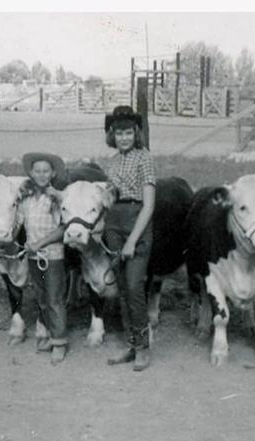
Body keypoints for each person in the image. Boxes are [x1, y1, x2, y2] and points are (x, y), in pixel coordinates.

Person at [102, 106, 156, 372]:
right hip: (114, 222)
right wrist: (105, 198)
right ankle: (131, 344)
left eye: (128, 132)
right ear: (112, 135)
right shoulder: (111, 162)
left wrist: (133, 240)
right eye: (118, 133)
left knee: (135, 287)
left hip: (137, 220)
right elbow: (111, 196)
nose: (123, 138)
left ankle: (144, 347)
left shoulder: (144, 158)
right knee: (122, 288)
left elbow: (148, 205)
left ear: (136, 133)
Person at [15, 152, 69, 364]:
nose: (41, 174)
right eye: (37, 171)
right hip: (33, 256)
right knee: (42, 298)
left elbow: (63, 228)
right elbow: (18, 222)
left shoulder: (57, 197)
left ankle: (59, 342)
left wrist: (40, 243)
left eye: (46, 171)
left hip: (53, 255)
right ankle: (50, 335)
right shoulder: (26, 198)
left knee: (55, 298)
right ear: (30, 173)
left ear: (53, 173)